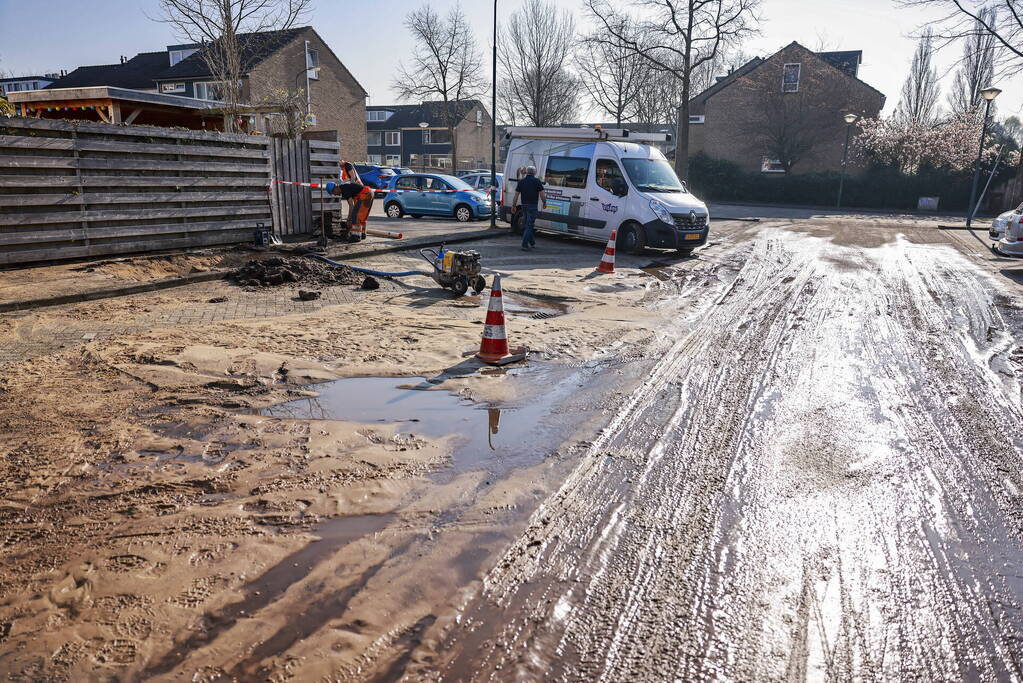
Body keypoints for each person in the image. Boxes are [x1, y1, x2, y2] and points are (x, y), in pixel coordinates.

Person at [330, 161, 374, 241]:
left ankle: (356, 236)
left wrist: (349, 219)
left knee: (355, 216)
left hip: (365, 194)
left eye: (333, 193)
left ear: (335, 188)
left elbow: (351, 206)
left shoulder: (344, 190)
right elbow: (354, 205)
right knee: (362, 216)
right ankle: (362, 234)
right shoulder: (345, 187)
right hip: (369, 193)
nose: (335, 195)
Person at [512, 166, 545, 251]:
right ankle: (524, 244)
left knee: (528, 225)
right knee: (529, 226)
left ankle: (532, 242)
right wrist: (544, 202)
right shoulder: (537, 181)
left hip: (524, 206)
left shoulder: (522, 182)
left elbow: (516, 195)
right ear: (534, 173)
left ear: (527, 172)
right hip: (532, 206)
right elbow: (542, 194)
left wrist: (514, 205)